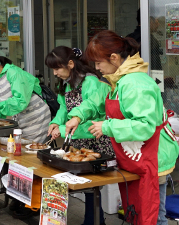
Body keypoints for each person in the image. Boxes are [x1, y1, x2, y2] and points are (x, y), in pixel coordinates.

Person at [65, 30, 179, 225]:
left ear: (115, 58)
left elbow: (145, 125)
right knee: (136, 211)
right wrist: (78, 115)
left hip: (153, 158)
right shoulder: (119, 80)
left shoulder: (135, 83)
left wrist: (107, 126)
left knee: (153, 216)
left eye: (99, 63)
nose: (97, 68)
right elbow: (97, 102)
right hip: (135, 157)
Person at [45, 46, 113, 225]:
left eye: (57, 68)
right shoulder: (67, 83)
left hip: (95, 139)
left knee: (92, 186)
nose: (55, 73)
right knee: (87, 186)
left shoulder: (91, 82)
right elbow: (63, 108)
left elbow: (91, 109)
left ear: (70, 63)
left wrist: (63, 126)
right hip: (78, 139)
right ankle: (94, 221)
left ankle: (93, 221)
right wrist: (55, 122)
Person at [0, 51, 51, 143]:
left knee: (31, 150)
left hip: (36, 116)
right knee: (20, 148)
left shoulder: (14, 73)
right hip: (21, 118)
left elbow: (20, 101)